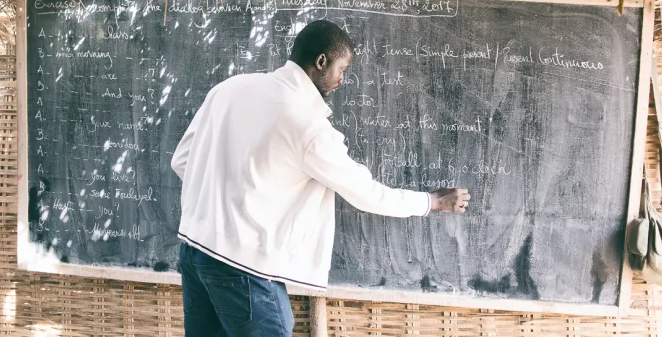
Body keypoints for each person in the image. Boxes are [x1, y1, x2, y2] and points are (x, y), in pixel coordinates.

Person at [171, 19, 470, 337]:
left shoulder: (229, 89)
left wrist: (228, 195)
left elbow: (182, 160)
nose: (343, 79)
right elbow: (365, 193)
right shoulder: (306, 125)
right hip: (243, 265)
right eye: (342, 68)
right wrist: (431, 201)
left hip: (194, 250)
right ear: (321, 61)